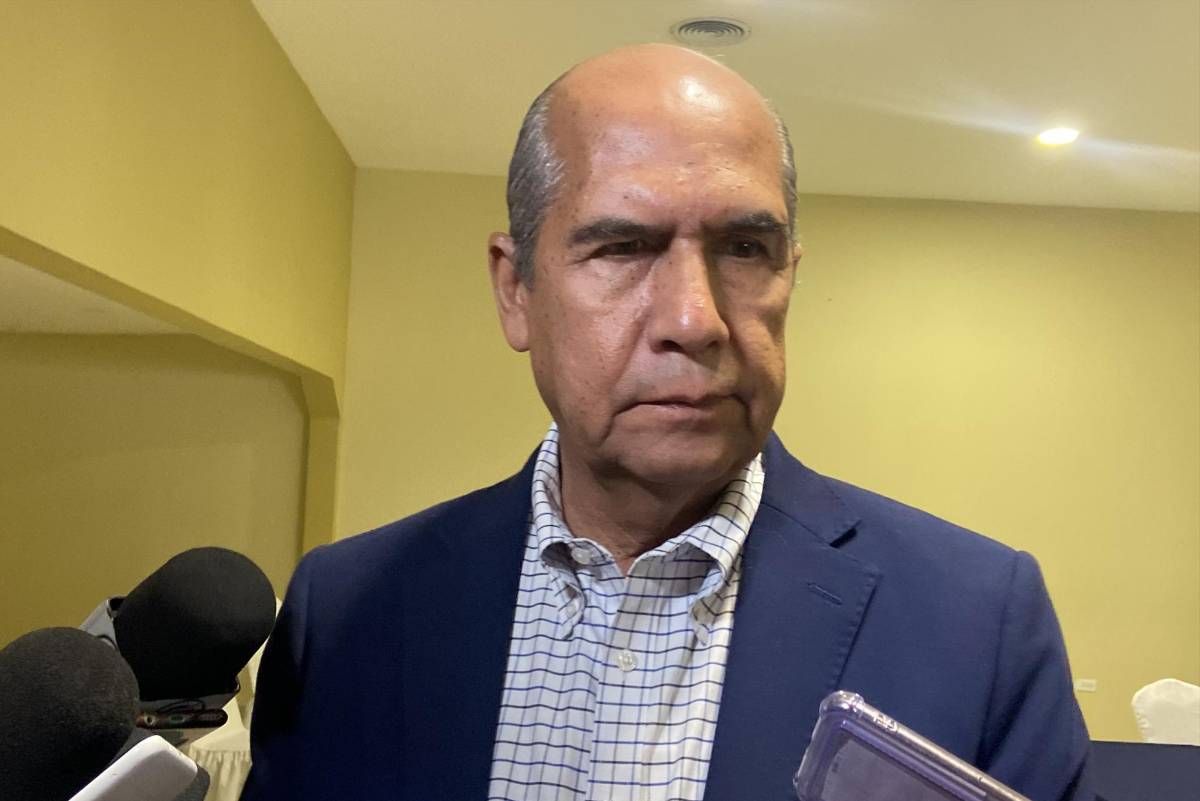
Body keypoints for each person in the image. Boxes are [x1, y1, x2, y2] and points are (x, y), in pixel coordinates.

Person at [241, 45, 1092, 801]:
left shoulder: (977, 622)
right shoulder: (343, 613)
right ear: (516, 289)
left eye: (746, 249)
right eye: (622, 247)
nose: (696, 318)